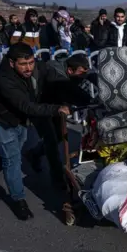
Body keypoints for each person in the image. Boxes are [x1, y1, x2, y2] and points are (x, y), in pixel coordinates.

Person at [0, 43, 70, 220]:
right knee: (12, 159)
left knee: (10, 155)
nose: (28, 68)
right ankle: (18, 200)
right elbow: (26, 105)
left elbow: (56, 76)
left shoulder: (36, 69)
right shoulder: (4, 78)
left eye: (31, 63)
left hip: (17, 117)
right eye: (23, 64)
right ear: (12, 63)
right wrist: (55, 109)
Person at [26, 53, 93, 189]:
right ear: (70, 70)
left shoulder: (74, 68)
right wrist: (91, 100)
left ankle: (34, 153)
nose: (82, 77)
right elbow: (71, 91)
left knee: (58, 135)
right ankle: (58, 180)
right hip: (39, 105)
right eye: (80, 73)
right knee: (50, 140)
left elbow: (91, 76)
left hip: (55, 103)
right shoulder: (56, 75)